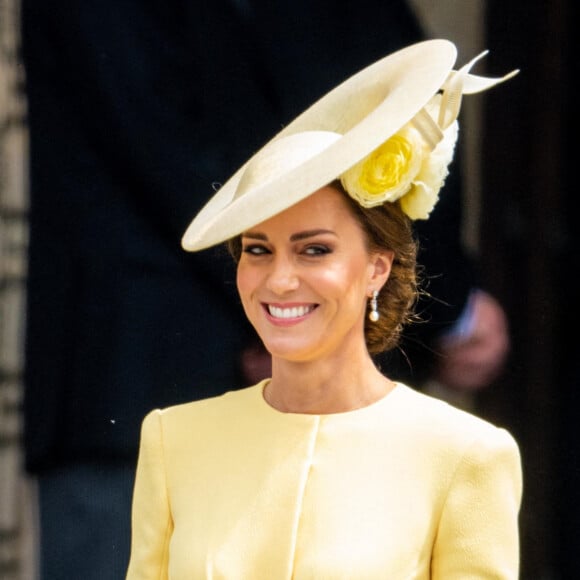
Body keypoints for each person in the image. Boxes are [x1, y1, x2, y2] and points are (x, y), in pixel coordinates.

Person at [20, 1, 510, 578]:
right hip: (142, 382)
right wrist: (291, 313)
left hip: (166, 367)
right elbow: (203, 138)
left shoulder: (471, 457)